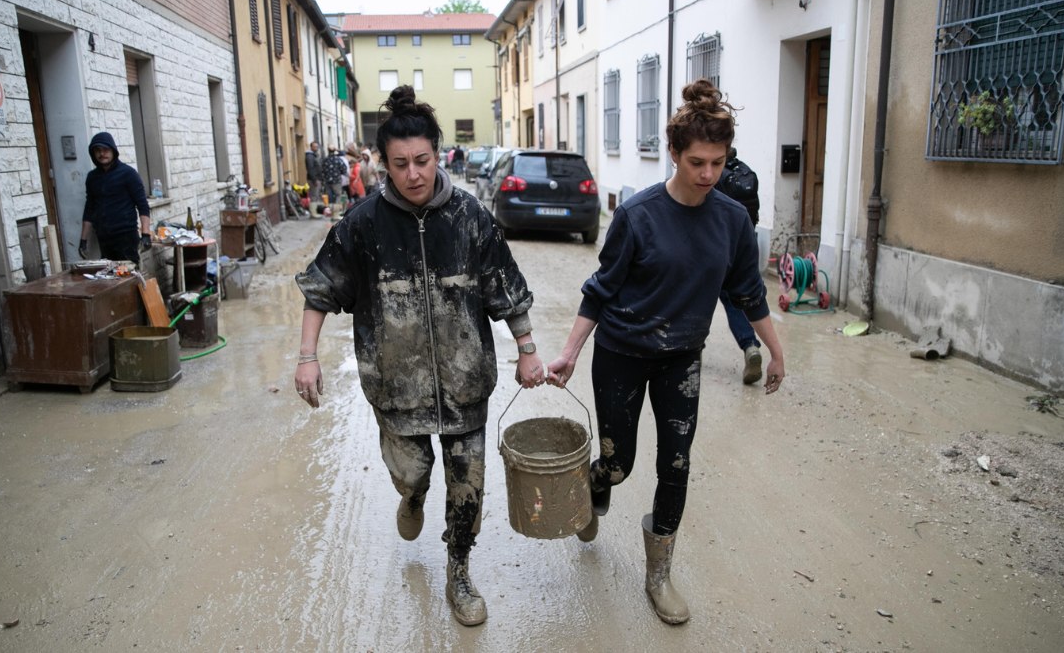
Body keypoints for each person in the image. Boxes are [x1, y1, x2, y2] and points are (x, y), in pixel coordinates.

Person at [294, 85, 546, 627]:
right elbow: (320, 289)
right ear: (383, 165)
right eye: (400, 164)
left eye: (423, 161)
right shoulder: (361, 225)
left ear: (438, 155)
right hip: (395, 384)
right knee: (413, 472)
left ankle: (459, 569)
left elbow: (506, 288)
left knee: (468, 485)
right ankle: (411, 496)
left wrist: (527, 350)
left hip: (465, 383)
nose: (414, 174)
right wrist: (306, 356)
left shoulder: (471, 217)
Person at [546, 79, 785, 625]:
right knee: (621, 461)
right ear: (674, 153)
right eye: (697, 161)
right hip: (622, 353)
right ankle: (596, 484)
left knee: (675, 464)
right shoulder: (639, 215)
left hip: (682, 357)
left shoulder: (732, 220)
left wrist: (775, 351)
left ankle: (659, 573)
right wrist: (569, 352)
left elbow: (749, 292)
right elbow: (600, 289)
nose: (707, 174)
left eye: (718, 162)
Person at [715, 147, 764, 384]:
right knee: (737, 303)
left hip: (716, 248)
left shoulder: (713, 176)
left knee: (694, 299)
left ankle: (692, 352)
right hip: (744, 244)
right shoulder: (745, 173)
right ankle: (750, 346)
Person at [79, 132, 151, 265]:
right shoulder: (92, 178)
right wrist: (83, 240)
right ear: (93, 154)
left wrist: (146, 234)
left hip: (126, 237)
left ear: (113, 151)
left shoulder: (128, 174)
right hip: (104, 238)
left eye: (106, 150)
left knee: (129, 277)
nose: (102, 154)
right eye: (98, 150)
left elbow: (142, 205)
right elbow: (89, 209)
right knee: (109, 277)